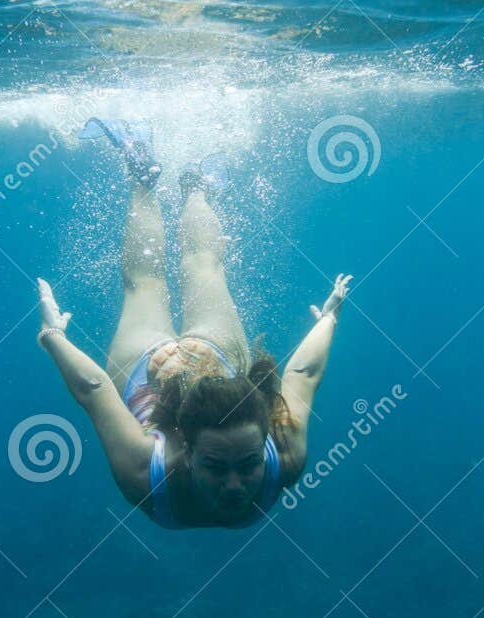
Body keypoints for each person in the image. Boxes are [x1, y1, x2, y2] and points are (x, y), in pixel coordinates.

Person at [36, 119, 351, 529]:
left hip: (149, 367)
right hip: (190, 359)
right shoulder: (282, 458)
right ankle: (185, 184)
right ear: (185, 451)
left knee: (151, 282)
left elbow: (94, 390)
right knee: (198, 267)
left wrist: (53, 335)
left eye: (249, 465)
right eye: (217, 468)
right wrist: (329, 318)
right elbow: (304, 374)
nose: (235, 485)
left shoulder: (145, 478)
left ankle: (159, 176)